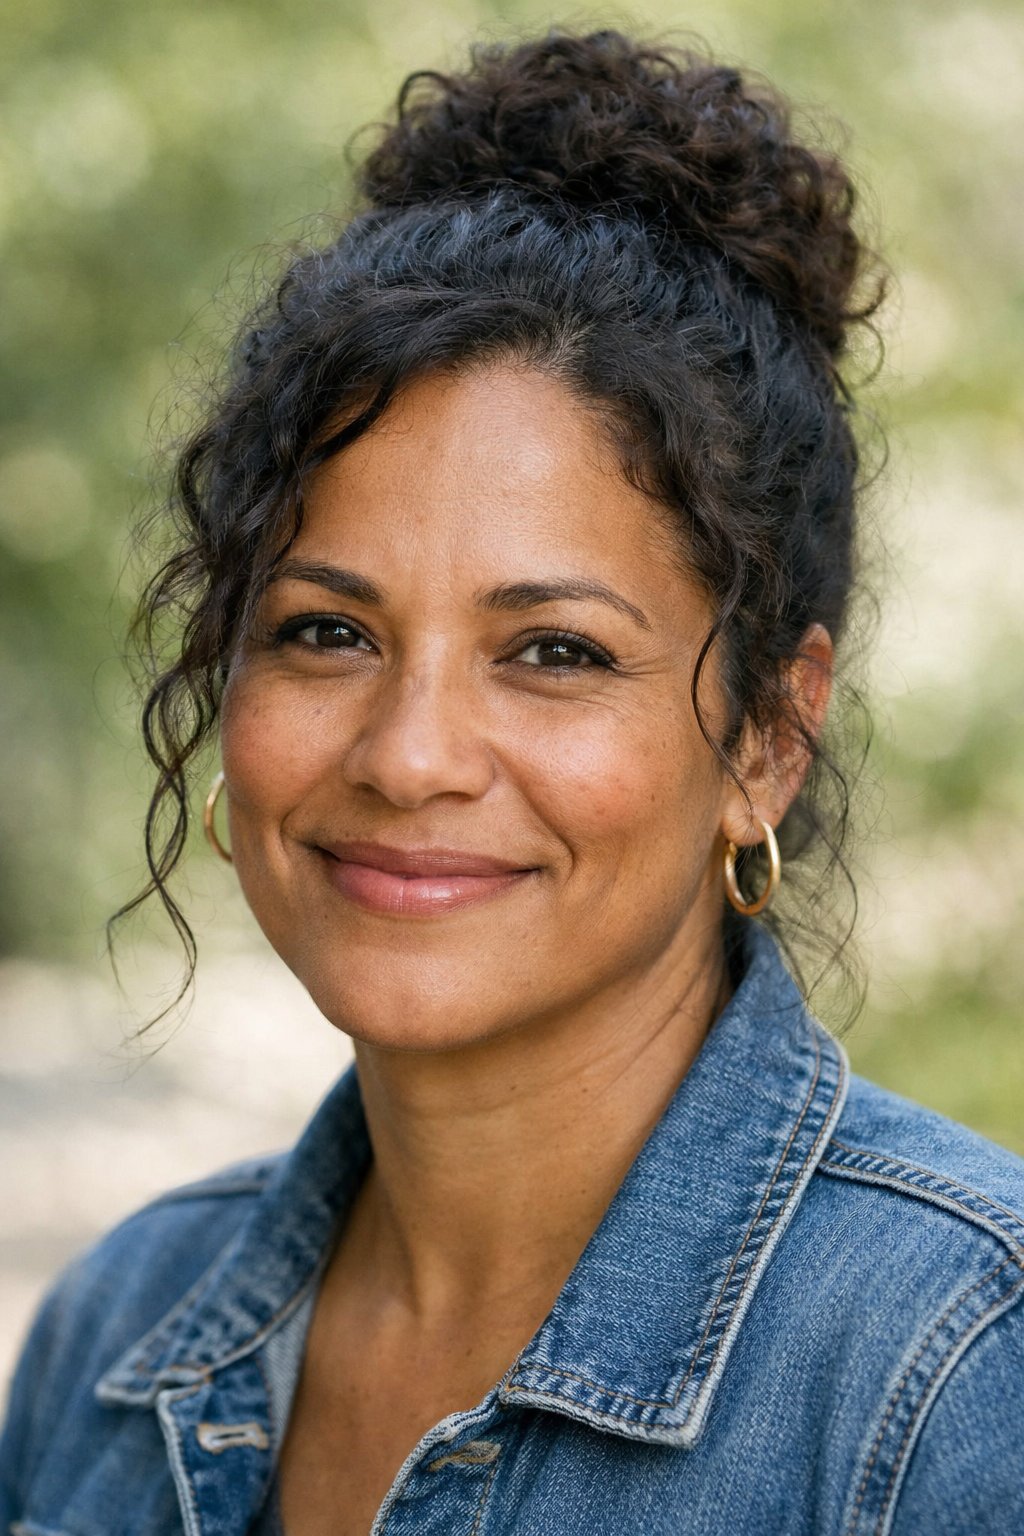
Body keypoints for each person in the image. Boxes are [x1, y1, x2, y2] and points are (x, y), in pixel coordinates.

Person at [2, 27, 1022, 1536]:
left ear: (766, 740)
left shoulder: (952, 1371)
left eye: (552, 651)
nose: (410, 755)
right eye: (327, 632)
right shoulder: (115, 1335)